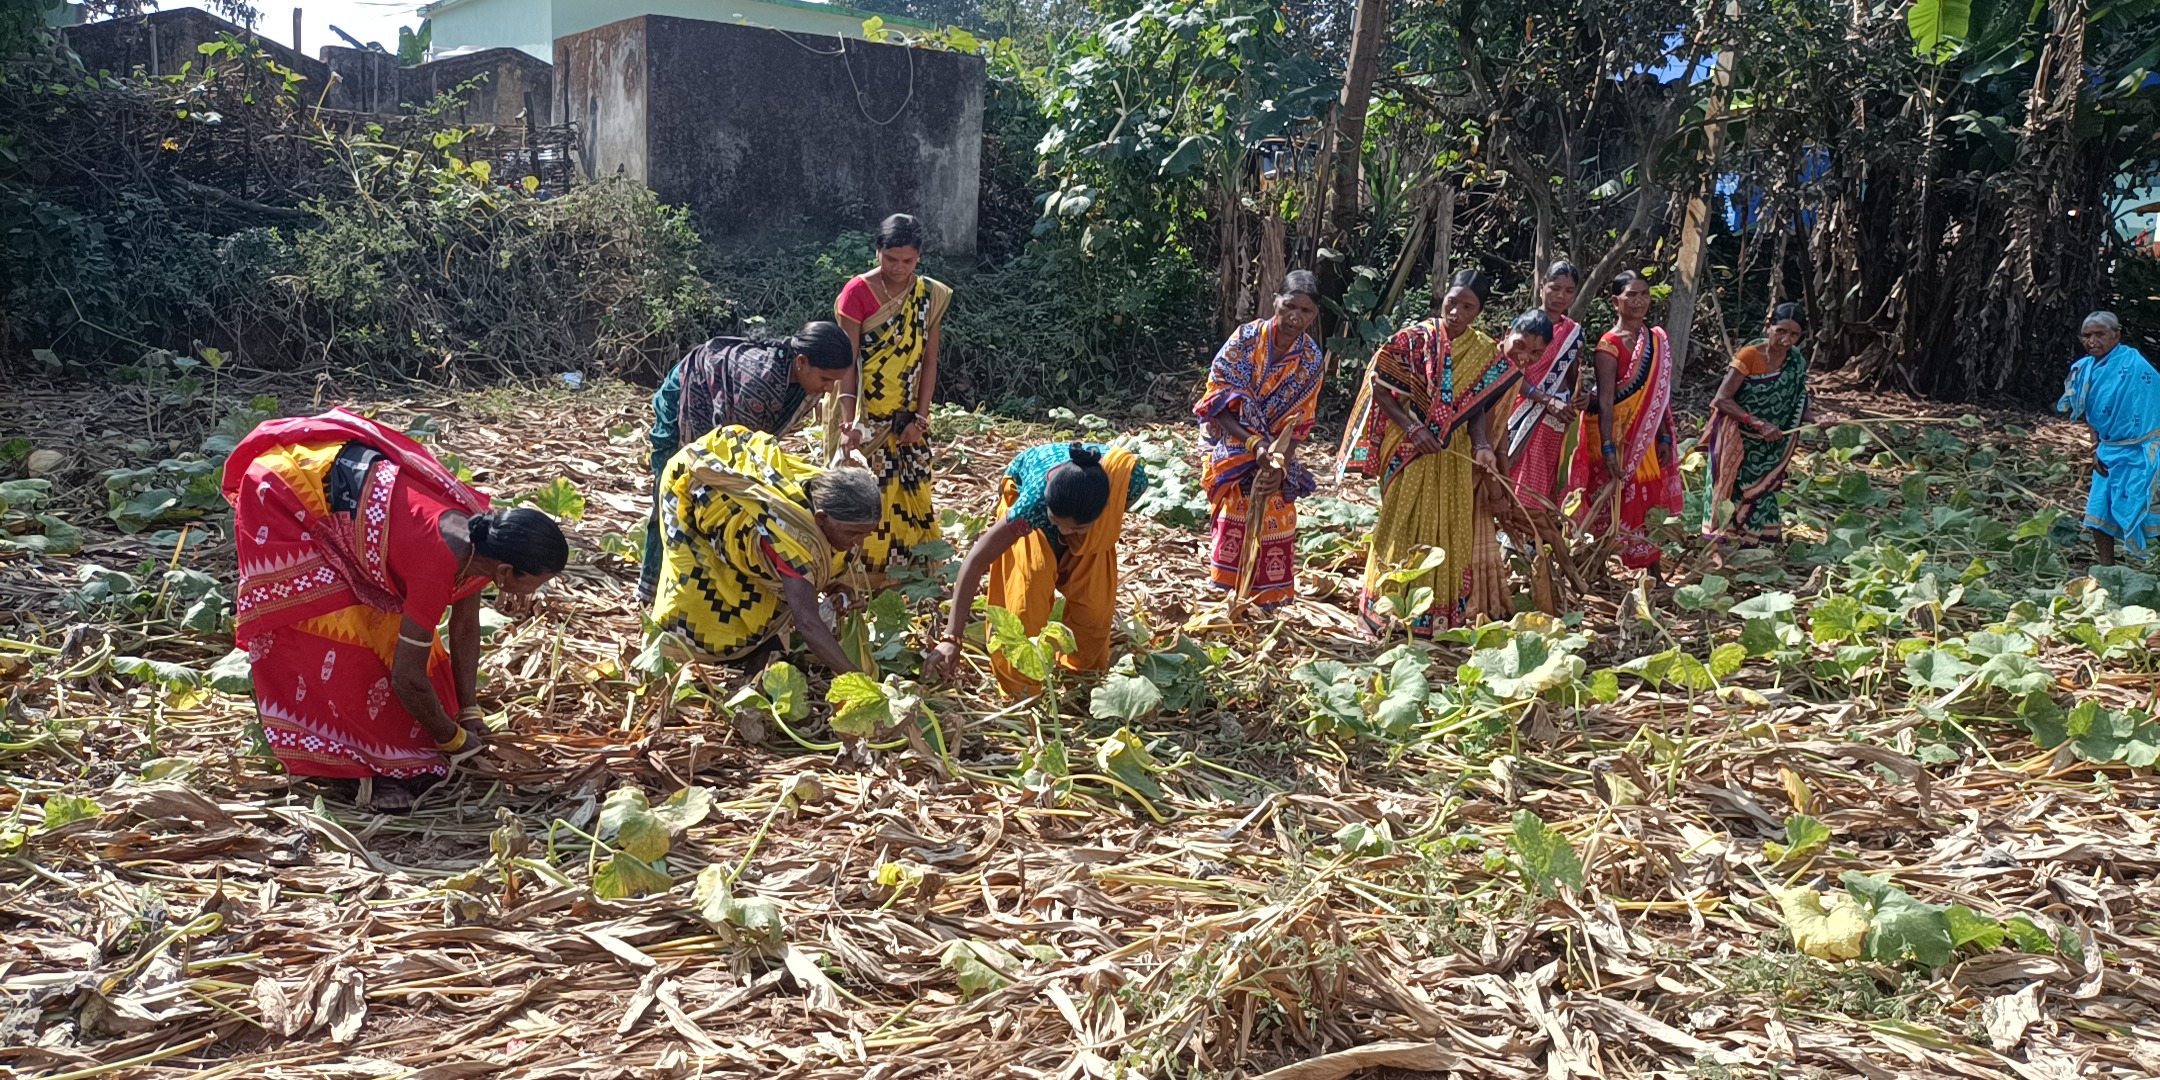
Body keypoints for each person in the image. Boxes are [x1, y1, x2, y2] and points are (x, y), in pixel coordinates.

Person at [223, 410, 567, 811]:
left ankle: (389, 750)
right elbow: (407, 679)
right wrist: (452, 740)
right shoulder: (439, 563)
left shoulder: (482, 540)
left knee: (393, 647)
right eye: (536, 582)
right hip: (289, 494)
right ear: (508, 573)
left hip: (343, 491)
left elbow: (466, 628)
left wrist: (467, 711)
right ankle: (363, 767)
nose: (535, 592)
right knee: (338, 638)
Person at [1340, 272, 1533, 635]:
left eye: (1468, 306)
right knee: (1401, 519)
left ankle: (1436, 619)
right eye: (1453, 301)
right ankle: (1381, 610)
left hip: (1453, 451)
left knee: (1450, 526)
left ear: (1479, 312)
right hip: (1411, 446)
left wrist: (1481, 446)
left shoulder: (1483, 351)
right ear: (1444, 296)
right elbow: (1381, 388)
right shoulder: (1413, 340)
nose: (1457, 311)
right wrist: (1413, 428)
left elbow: (1476, 407)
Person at [641, 322, 854, 601]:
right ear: (801, 362)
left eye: (833, 383)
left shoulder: (803, 383)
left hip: (732, 417)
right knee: (674, 493)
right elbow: (737, 454)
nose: (828, 390)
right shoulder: (759, 383)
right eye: (826, 380)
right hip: (687, 396)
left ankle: (717, 580)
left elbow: (760, 444)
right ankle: (654, 590)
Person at [649, 426, 883, 671]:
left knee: (764, 594)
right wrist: (857, 679)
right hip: (691, 484)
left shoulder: (829, 499)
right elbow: (807, 622)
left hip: (738, 494)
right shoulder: (792, 541)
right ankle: (672, 653)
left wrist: (839, 587)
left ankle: (757, 650)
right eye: (854, 533)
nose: (859, 543)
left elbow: (817, 572)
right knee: (699, 583)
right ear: (821, 519)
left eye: (867, 534)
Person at [923, 443, 1149, 695]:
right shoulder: (1032, 506)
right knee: (1025, 599)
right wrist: (951, 638)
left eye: (1074, 530)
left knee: (1094, 608)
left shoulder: (1130, 480)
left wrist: (1098, 530)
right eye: (1057, 523)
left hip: (1084, 516)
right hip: (1033, 510)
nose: (1064, 533)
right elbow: (976, 560)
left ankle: (1083, 682)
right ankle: (1021, 692)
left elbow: (1117, 508)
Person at [1194, 269, 1326, 610]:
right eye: (1289, 306)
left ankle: (1266, 601)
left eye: (1306, 311)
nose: (1296, 317)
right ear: (1275, 302)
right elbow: (1216, 402)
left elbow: (1300, 423)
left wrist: (1280, 463)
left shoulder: (1311, 359)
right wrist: (1254, 444)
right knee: (1236, 507)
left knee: (1276, 507)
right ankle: (1226, 596)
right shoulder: (1246, 340)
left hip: (1277, 450)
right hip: (1234, 440)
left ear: (1314, 315)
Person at [832, 213, 953, 572]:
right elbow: (847, 364)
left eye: (907, 261)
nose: (898, 268)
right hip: (864, 418)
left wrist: (922, 417)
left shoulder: (930, 295)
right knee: (864, 499)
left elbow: (930, 362)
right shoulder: (856, 294)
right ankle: (859, 576)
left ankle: (911, 575)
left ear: (919, 258)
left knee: (912, 494)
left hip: (907, 416)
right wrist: (849, 423)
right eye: (890, 259)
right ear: (877, 252)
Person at [1567, 271, 1683, 571]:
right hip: (1615, 434)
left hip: (1645, 433)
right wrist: (1607, 447)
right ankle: (1598, 564)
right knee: (1610, 498)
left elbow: (1659, 396)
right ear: (1616, 301)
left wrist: (1665, 436)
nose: (1639, 300)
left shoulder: (1656, 340)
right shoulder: (1608, 345)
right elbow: (1605, 399)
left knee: (1648, 497)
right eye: (1631, 295)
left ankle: (1651, 567)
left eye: (1644, 294)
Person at [1703, 303, 1812, 547]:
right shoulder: (1749, 356)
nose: (1786, 340)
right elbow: (1722, 399)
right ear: (1768, 326)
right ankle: (1721, 547)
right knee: (1732, 490)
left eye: (1794, 335)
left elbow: (1798, 402)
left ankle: (1756, 546)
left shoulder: (1794, 362)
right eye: (1781, 331)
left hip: (1770, 447)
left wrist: (1820, 420)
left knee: (1764, 493)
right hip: (1739, 439)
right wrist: (1758, 423)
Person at [2057, 311, 2160, 566]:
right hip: (2107, 452)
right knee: (2098, 513)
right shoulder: (2083, 370)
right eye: (2087, 335)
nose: (2092, 341)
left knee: (2146, 509)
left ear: (2117, 335)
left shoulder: (2136, 368)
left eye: (2099, 334)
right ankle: (2107, 569)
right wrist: (2094, 449)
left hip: (2140, 452)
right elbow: (2090, 416)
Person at [1503, 261, 1587, 509]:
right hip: (1521, 412)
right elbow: (1507, 375)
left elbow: (1572, 378)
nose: (1561, 295)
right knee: (1517, 473)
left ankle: (1532, 536)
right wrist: (1545, 400)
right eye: (1555, 287)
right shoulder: (1523, 325)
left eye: (1569, 291)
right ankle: (1510, 533)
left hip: (1555, 417)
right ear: (1542, 287)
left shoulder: (1574, 333)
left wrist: (1580, 397)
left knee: (1545, 474)